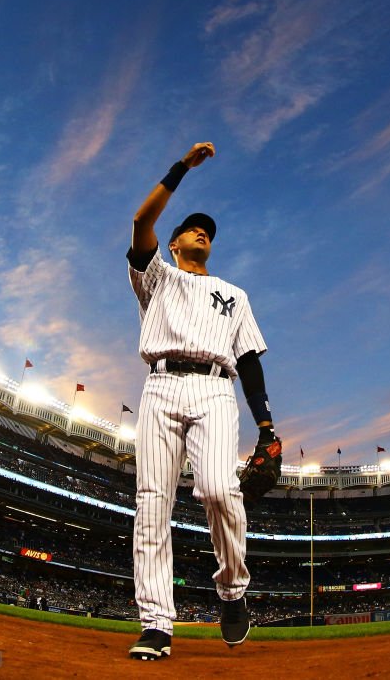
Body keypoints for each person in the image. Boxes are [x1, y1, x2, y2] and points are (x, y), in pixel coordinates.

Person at [126, 142, 279, 660]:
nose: (202, 233)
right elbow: (141, 218)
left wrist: (266, 427)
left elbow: (251, 359)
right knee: (152, 504)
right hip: (161, 385)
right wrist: (180, 169)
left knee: (219, 490)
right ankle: (156, 624)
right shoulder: (156, 276)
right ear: (172, 245)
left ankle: (233, 592)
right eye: (193, 228)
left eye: (208, 232)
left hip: (217, 387)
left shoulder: (235, 294)